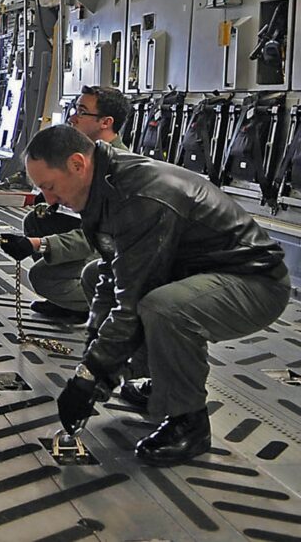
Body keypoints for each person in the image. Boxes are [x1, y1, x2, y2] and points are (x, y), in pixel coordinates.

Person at [24, 125, 289, 465]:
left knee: (163, 309)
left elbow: (132, 300)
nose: (49, 199)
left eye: (49, 186)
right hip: (200, 273)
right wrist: (93, 369)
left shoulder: (140, 194)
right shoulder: (103, 187)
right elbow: (111, 276)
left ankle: (188, 422)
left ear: (77, 164)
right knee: (93, 276)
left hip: (256, 282)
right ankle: (163, 384)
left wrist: (91, 374)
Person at [0, 86, 130, 320]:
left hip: (118, 250)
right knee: (37, 220)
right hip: (96, 236)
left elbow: (97, 235)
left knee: (42, 276)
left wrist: (38, 244)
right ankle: (66, 302)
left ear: (105, 122)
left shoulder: (117, 170)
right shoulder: (87, 153)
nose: (73, 117)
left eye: (82, 111)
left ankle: (92, 301)